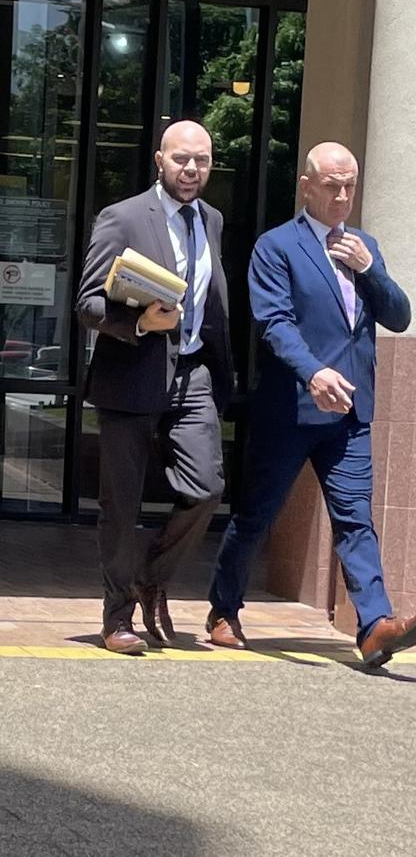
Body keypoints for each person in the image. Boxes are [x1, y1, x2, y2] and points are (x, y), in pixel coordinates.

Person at [205, 141, 416, 667]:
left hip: (350, 415)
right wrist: (313, 373)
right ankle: (223, 609)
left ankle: (375, 626)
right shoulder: (277, 246)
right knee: (257, 515)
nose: (341, 194)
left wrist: (371, 268)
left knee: (355, 519)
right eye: (331, 184)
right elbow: (273, 323)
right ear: (306, 185)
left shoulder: (363, 245)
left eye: (349, 184)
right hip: (290, 410)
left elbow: (399, 316)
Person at [77, 120, 233, 654]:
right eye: (182, 159)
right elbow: (88, 303)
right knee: (120, 505)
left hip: (192, 374)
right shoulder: (122, 217)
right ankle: (116, 618)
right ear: (159, 160)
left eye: (202, 161)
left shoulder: (211, 220)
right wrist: (142, 322)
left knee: (207, 487)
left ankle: (151, 575)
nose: (192, 170)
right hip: (132, 373)